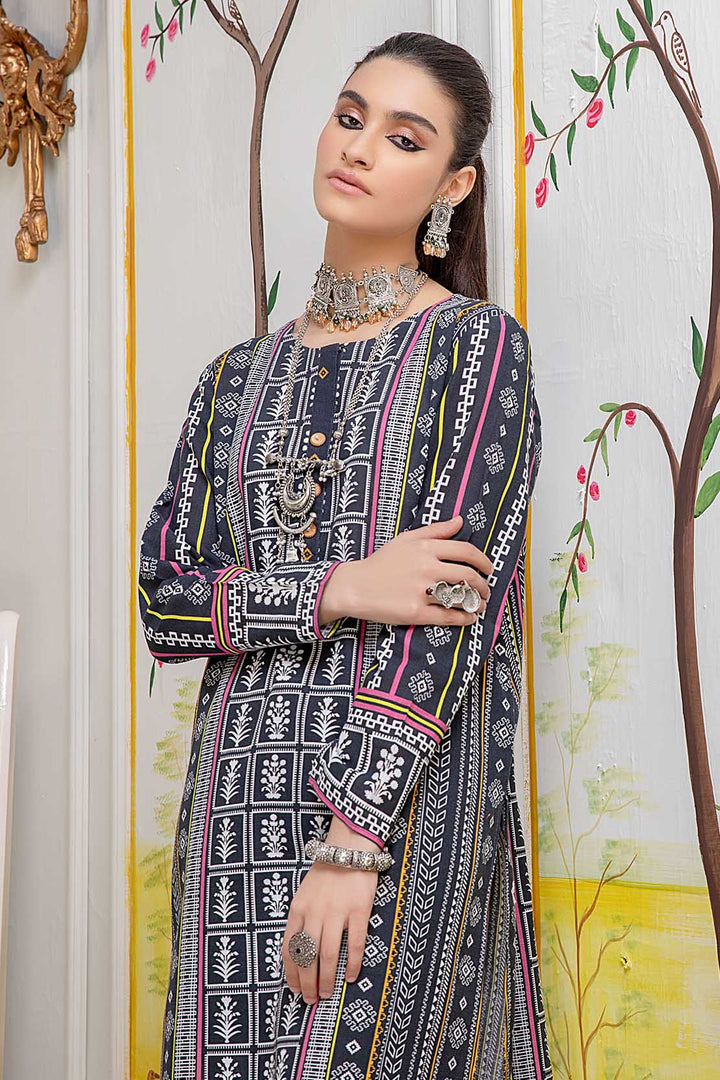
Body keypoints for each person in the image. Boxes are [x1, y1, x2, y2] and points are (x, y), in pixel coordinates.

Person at [138, 29, 552, 1080]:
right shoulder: (234, 378)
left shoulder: (474, 349)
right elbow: (167, 601)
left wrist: (352, 837)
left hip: (394, 813)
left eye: (404, 138)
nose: (359, 146)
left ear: (452, 185)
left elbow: (451, 615)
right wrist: (343, 586)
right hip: (233, 811)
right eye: (350, 116)